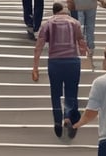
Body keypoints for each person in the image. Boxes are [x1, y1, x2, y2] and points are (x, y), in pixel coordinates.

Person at [32, 2, 88, 138]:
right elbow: (81, 41)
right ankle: (69, 117)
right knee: (71, 92)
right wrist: (84, 54)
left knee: (55, 93)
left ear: (54, 12)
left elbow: (39, 46)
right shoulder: (75, 22)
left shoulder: (48, 24)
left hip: (55, 62)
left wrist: (35, 66)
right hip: (72, 61)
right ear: (65, 11)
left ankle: (58, 120)